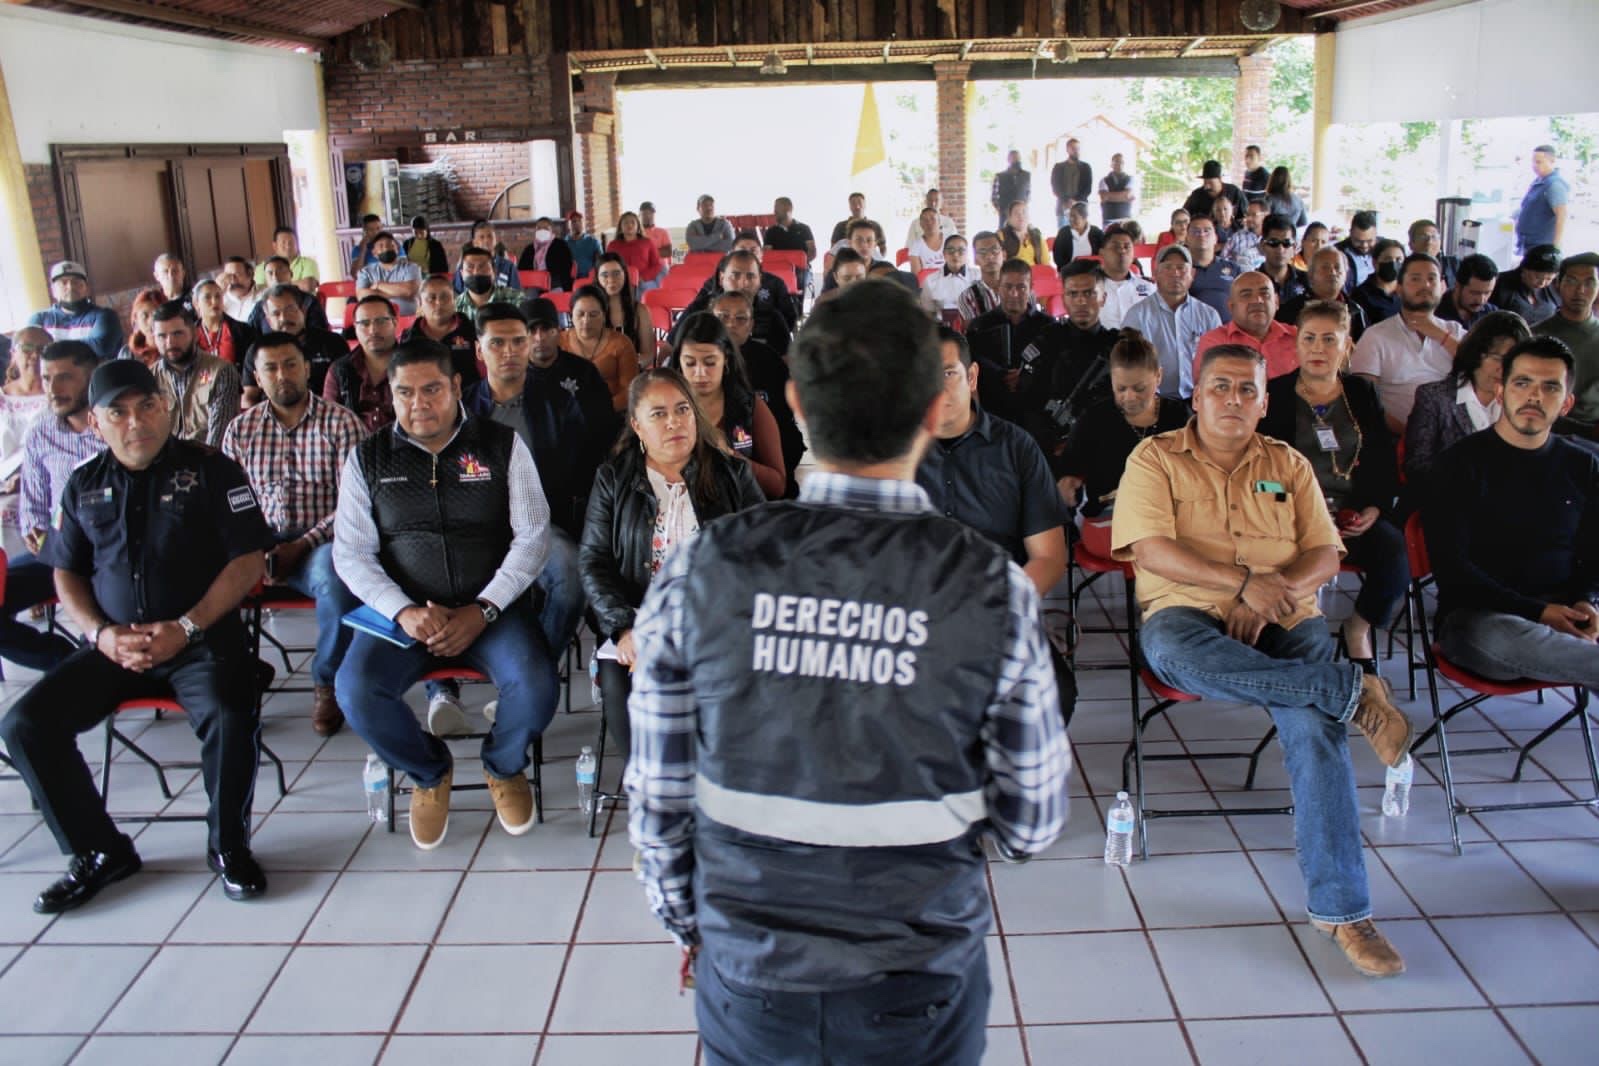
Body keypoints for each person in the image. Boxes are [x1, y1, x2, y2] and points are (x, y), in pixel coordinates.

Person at [627, 278, 1070, 1063]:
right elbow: (1030, 825)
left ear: (794, 403)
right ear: (935, 410)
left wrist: (696, 931)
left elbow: (658, 804)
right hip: (918, 986)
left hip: (750, 978)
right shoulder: (989, 588)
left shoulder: (701, 569)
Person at [1112, 343, 1412, 979]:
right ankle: (1349, 688)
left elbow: (1326, 556)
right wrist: (1239, 582)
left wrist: (1271, 591)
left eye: (1247, 390)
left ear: (1264, 401)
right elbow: (1150, 550)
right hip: (1187, 613)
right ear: (1195, 396)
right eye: (1220, 387)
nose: (1233, 400)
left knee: (1310, 725)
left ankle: (1343, 911)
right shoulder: (1155, 458)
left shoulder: (1289, 464)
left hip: (1284, 614)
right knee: (1167, 649)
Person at [0, 359, 274, 913]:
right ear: (96, 422)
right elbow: (66, 572)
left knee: (231, 711)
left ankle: (228, 846)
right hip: (114, 646)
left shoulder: (212, 471)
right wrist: (100, 634)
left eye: (146, 405)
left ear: (165, 406)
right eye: (117, 412)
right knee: (25, 725)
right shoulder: (83, 485)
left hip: (199, 640)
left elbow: (247, 563)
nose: (135, 422)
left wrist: (187, 626)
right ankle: (100, 852)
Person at [332, 338, 557, 849]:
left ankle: (503, 764)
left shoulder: (501, 445)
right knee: (355, 691)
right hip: (405, 616)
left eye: (432, 389)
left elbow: (533, 536)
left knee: (537, 686)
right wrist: (404, 612)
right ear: (390, 394)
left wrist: (484, 608)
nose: (419, 403)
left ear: (457, 386)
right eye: (405, 392)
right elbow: (351, 555)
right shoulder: (367, 459)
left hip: (491, 609)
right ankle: (429, 771)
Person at [579, 368, 763, 770]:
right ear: (637, 425)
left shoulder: (732, 474)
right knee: (619, 684)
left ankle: (718, 781)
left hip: (715, 621)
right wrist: (624, 628)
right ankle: (650, 783)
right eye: (658, 414)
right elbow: (593, 561)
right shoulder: (615, 478)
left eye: (682, 409)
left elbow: (761, 555)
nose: (674, 422)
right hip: (637, 619)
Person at [916, 325, 1077, 720]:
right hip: (918, 613)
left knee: (1053, 694)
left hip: (1000, 603)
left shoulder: (1016, 448)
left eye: (947, 373)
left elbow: (1049, 556)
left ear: (971, 377)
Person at [1426, 336, 1599, 695]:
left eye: (1549, 387)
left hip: (1564, 616)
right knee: (1497, 637)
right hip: (1481, 621)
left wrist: (1586, 601)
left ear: (1566, 404)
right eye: (1523, 383)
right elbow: (1452, 570)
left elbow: (1592, 553)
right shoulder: (1459, 464)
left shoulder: (1583, 465)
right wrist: (1539, 613)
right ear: (1502, 391)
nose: (1534, 396)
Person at [222, 334, 364, 736]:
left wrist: (301, 545)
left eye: (289, 365)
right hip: (258, 541)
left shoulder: (341, 424)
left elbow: (355, 506)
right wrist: (256, 547)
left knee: (338, 585)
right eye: (270, 368)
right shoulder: (240, 430)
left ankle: (326, 682)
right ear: (256, 377)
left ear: (307, 368)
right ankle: (238, 677)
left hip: (322, 541)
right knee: (204, 580)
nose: (282, 375)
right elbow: (230, 502)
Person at [1261, 301, 1406, 673]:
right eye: (1309, 338)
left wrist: (1374, 507)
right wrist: (1299, 510)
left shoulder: (1361, 393)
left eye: (1329, 339)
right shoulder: (1273, 395)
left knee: (1392, 549)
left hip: (1350, 513)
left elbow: (1382, 462)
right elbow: (1259, 473)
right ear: (1295, 344)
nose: (1318, 348)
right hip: (1291, 514)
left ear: (1347, 346)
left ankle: (1358, 629)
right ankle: (1294, 643)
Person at [462, 303, 591, 665]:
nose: (510, 352)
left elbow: (582, 470)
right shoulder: (462, 409)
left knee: (571, 577)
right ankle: (445, 686)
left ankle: (536, 671)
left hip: (541, 525)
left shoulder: (559, 402)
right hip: (473, 529)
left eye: (518, 342)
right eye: (498, 343)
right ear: (479, 350)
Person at [6, 340, 104, 674]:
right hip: (58, 551)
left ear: (92, 377)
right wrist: (35, 529)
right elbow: (34, 501)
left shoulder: (116, 425)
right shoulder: (41, 430)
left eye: (64, 378)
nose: (52, 389)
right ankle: (71, 663)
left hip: (112, 553)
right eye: (47, 379)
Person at [1055, 329, 1189, 515]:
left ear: (1158, 376)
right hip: (1109, 516)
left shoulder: (1179, 417)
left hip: (1168, 513)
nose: (1130, 396)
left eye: (1139, 388)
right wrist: (1067, 479)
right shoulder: (1095, 418)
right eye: (1121, 388)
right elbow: (1069, 463)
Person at [1404, 310, 1530, 492]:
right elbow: (1416, 467)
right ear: (1477, 353)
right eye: (1498, 358)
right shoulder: (1435, 397)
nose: (1504, 369)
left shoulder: (1521, 403)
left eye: (1514, 362)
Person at [664, 313, 785, 499]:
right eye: (690, 363)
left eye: (710, 363)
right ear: (679, 363)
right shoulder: (664, 407)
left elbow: (778, 485)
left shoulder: (750, 407)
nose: (700, 373)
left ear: (726, 360)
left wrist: (732, 457)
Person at [1351, 254, 1465, 433]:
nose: (1425, 285)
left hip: (1453, 435)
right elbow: (1364, 401)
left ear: (1442, 287)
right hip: (1396, 438)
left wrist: (1439, 335)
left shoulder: (1455, 331)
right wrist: (1410, 436)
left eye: (1431, 279)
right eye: (1415, 279)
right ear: (1399, 288)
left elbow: (1481, 370)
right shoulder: (1376, 336)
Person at [1023, 261, 1120, 462]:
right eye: (1073, 294)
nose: (1081, 301)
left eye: (1089, 293)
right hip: (1051, 449)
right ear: (1064, 299)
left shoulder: (1117, 347)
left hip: (1104, 448)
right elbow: (1028, 402)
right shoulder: (1047, 341)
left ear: (1103, 298)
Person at [711, 290, 805, 492]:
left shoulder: (769, 361)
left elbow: (784, 420)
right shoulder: (695, 359)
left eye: (740, 318)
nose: (730, 324)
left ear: (751, 325)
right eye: (723, 317)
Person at [1123, 244, 1222, 400]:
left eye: (1182, 268)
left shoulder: (1209, 316)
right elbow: (1129, 367)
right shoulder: (1137, 315)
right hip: (1154, 402)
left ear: (1193, 274)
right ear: (1155, 273)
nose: (1175, 273)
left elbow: (1219, 364)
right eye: (1167, 267)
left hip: (1201, 401)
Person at [965, 259, 1055, 424]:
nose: (1014, 294)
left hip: (1036, 411)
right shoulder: (980, 325)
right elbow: (972, 365)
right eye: (1008, 287)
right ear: (999, 286)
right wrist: (1000, 375)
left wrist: (1026, 377)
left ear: (1031, 287)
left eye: (1021, 287)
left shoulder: (1048, 326)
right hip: (992, 411)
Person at [147, 301, 242, 447]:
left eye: (177, 334)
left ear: (194, 333)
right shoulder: (149, 378)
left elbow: (217, 441)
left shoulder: (221, 371)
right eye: (162, 336)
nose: (170, 342)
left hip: (208, 463)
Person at [1193, 271, 1300, 385]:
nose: (1257, 300)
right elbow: (1207, 393)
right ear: (1231, 306)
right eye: (1246, 295)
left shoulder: (1298, 337)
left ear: (1276, 302)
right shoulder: (1214, 343)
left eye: (1265, 294)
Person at [1533, 252, 1599, 434]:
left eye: (1590, 283)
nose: (1580, 290)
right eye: (1571, 281)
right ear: (1557, 284)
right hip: (1547, 429)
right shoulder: (1536, 336)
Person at [324, 295, 401, 434]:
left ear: (395, 323)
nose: (373, 330)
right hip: (354, 448)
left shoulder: (414, 366)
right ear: (355, 327)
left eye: (381, 321)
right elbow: (330, 422)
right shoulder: (339, 371)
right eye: (365, 323)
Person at [259, 283, 348, 398]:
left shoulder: (333, 342)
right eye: (276, 314)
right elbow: (249, 396)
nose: (284, 318)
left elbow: (347, 387)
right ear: (268, 320)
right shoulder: (259, 350)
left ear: (303, 311)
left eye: (290, 310)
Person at [561, 284, 637, 412]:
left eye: (593, 314)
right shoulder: (559, 342)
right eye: (580, 314)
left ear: (604, 316)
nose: (586, 321)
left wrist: (598, 411)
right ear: (571, 315)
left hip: (610, 413)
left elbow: (629, 392)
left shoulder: (621, 343)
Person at [29, 261, 123, 361]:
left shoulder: (105, 316)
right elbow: (30, 349)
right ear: (53, 290)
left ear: (86, 287)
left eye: (76, 281)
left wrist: (50, 346)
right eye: (63, 282)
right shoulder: (39, 319)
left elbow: (101, 347)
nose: (70, 287)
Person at [1280, 247, 1369, 342]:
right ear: (1311, 274)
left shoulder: (1356, 311)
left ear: (1346, 273)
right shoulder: (1292, 310)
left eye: (1337, 267)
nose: (1333, 272)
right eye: (1325, 267)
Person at [406, 274, 480, 385]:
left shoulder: (473, 331)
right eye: (431, 298)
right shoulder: (409, 338)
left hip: (467, 397)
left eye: (444, 297)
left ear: (454, 300)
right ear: (421, 304)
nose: (438, 303)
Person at [594, 251, 657, 363]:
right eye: (604, 275)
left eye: (616, 273)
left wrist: (628, 367)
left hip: (632, 371)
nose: (611, 280)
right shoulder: (591, 311)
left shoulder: (640, 311)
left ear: (625, 274)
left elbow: (648, 354)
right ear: (597, 278)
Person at [1095, 228, 1155, 330]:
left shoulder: (1149, 288)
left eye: (1127, 247)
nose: (1122, 251)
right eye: (1116, 247)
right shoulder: (1091, 288)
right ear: (1102, 253)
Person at [1185, 215, 1241, 322]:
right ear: (1186, 239)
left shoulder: (1233, 268)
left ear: (1216, 238)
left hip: (1229, 331)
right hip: (1192, 331)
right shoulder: (1180, 270)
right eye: (1195, 231)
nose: (1201, 234)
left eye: (1207, 231)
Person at [1515, 145, 1569, 255]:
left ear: (1552, 161)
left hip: (1542, 247)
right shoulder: (1538, 181)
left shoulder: (1554, 185)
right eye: (1533, 161)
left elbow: (1561, 216)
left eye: (1539, 162)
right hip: (1528, 244)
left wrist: (1555, 248)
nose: (1534, 165)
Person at [192, 279, 258, 368]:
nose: (214, 301)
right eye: (207, 297)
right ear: (196, 304)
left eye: (218, 296)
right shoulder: (189, 336)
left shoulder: (243, 331)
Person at [1492, 245, 1561, 326]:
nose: (1542, 283)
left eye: (1549, 279)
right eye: (1537, 277)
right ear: (1524, 269)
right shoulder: (1500, 284)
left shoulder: (1552, 289)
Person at [356, 232, 423, 317]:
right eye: (381, 246)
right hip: (379, 320)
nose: (386, 248)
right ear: (374, 253)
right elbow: (362, 296)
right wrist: (399, 293)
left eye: (391, 245)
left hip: (409, 319)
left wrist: (378, 285)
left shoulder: (411, 267)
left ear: (397, 249)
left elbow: (409, 290)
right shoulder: (365, 272)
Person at [763, 196, 817, 292]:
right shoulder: (771, 232)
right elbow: (768, 255)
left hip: (801, 269)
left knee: (799, 279)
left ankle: (797, 304)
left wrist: (800, 264)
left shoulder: (804, 229)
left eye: (777, 208)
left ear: (789, 208)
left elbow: (812, 252)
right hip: (778, 269)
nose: (774, 211)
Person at [1351, 239, 1407, 327]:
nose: (1393, 263)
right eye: (1387, 259)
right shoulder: (1361, 295)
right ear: (1375, 262)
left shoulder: (1409, 292)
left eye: (1398, 259)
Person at [1437, 254, 1501, 329]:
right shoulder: (1436, 310)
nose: (1481, 300)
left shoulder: (1492, 315)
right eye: (1475, 293)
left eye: (1487, 293)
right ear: (1458, 286)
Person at [606, 211, 665, 292]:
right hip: (621, 282)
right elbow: (607, 266)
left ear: (638, 226)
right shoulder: (612, 245)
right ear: (620, 227)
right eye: (626, 222)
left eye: (632, 222)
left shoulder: (647, 242)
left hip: (644, 282)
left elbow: (657, 265)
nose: (629, 225)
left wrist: (642, 277)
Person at [920, 234, 978, 315]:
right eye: (951, 250)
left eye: (961, 250)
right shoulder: (930, 280)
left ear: (967, 253)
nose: (955, 254)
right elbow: (927, 311)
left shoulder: (978, 277)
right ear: (944, 254)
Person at [956, 231, 1006, 323]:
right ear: (975, 259)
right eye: (982, 252)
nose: (989, 256)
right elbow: (973, 334)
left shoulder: (1021, 289)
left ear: (1004, 254)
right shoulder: (968, 296)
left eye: (994, 250)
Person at [253, 226, 319, 295]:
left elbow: (308, 286)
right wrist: (295, 283)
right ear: (275, 246)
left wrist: (273, 284)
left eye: (291, 243)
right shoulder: (262, 267)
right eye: (283, 243)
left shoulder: (308, 263)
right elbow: (259, 290)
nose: (288, 246)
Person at [1258, 214, 1308, 303]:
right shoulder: (1252, 282)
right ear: (1262, 245)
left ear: (1294, 247)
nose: (1280, 249)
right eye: (1273, 242)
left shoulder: (1307, 280)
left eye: (1286, 243)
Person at [517, 217, 575, 292]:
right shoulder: (529, 249)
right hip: (534, 283)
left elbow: (566, 268)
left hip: (555, 283)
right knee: (528, 296)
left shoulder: (560, 245)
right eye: (539, 228)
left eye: (545, 228)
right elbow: (521, 269)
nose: (542, 231)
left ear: (552, 231)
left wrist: (546, 277)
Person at [1183, 160, 1247, 223]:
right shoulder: (1197, 195)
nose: (1207, 187)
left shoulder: (1234, 192)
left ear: (1220, 179)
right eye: (1205, 182)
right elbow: (1184, 214)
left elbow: (1245, 215)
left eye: (1210, 183)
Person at [1050, 138, 1093, 228]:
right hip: (1063, 207)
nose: (1076, 151)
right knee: (1064, 237)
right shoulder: (1058, 167)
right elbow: (1055, 187)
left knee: (1081, 237)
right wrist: (1067, 200)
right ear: (1067, 150)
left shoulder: (1086, 167)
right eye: (1073, 148)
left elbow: (1087, 189)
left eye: (1078, 148)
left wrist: (1075, 201)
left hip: (1081, 209)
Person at [1407, 219, 1458, 290]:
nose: (1429, 242)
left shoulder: (1453, 264)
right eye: (1423, 237)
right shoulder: (1404, 268)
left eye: (1434, 237)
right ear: (1411, 244)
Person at [1052, 202, 1103, 269]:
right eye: (1070, 216)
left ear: (1084, 218)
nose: (1071, 219)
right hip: (1069, 272)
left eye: (1074, 217)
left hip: (1093, 271)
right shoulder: (1063, 233)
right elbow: (1058, 258)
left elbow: (1104, 250)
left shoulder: (1096, 232)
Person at [1336, 212, 1379, 291]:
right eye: (1358, 241)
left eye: (1370, 241)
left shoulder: (1385, 249)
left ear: (1376, 234)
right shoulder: (1337, 253)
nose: (1364, 246)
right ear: (1350, 233)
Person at [991, 148, 1031, 227]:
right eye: (1014, 158)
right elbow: (994, 196)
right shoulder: (1000, 176)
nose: (1016, 160)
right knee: (1003, 235)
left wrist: (1024, 207)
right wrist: (1000, 209)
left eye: (1018, 158)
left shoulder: (1026, 175)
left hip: (1021, 213)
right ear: (1008, 160)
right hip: (1005, 213)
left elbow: (1028, 193)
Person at [1225, 201, 1269, 271]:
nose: (1249, 218)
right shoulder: (1237, 238)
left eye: (1254, 215)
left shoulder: (1271, 238)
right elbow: (1223, 261)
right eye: (1247, 215)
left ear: (1266, 216)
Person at [1000, 200, 1046, 265]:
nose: (1021, 216)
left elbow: (1046, 263)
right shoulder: (1001, 235)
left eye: (1024, 212)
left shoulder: (1036, 235)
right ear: (1009, 219)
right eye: (1016, 213)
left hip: (1035, 273)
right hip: (1011, 272)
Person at [219, 257, 263, 323]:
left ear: (250, 274)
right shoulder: (220, 298)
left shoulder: (263, 295)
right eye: (228, 276)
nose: (232, 280)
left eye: (237, 274)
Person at [1098, 152, 1135, 227]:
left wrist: (1109, 196)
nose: (1119, 164)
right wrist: (1124, 197)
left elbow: (1127, 195)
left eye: (1121, 162)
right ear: (1111, 164)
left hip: (1126, 221)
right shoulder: (1104, 180)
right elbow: (1104, 197)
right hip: (1108, 221)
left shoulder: (1130, 179)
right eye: (1117, 161)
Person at [906, 208, 947, 274]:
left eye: (932, 219)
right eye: (925, 220)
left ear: (939, 222)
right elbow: (917, 276)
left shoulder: (950, 241)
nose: (929, 222)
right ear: (921, 224)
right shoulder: (915, 246)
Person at [565, 211, 603, 278]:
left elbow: (601, 262)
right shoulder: (563, 244)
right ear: (568, 225)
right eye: (573, 221)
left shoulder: (593, 241)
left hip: (590, 279)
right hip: (570, 280)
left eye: (579, 221)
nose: (577, 223)